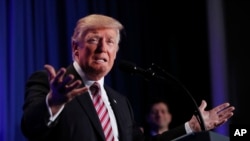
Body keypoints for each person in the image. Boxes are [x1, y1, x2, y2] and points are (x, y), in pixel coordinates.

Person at [21, 14, 235, 141]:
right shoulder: (48, 83)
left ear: (115, 52)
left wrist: (190, 128)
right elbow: (30, 127)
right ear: (76, 48)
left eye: (110, 42)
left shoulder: (120, 102)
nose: (103, 48)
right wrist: (54, 102)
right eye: (94, 39)